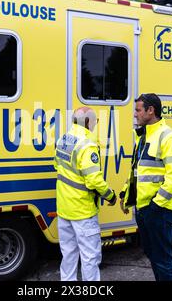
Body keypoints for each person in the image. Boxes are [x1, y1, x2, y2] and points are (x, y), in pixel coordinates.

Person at [119, 94, 172, 281]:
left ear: (151, 111)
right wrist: (126, 194)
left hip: (159, 210)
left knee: (162, 258)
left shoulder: (170, 137)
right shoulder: (142, 136)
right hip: (144, 209)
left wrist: (156, 206)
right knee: (152, 254)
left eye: (138, 110)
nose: (135, 114)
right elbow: (137, 171)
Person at [54, 106, 117, 281]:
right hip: (83, 211)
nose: (95, 125)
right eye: (95, 121)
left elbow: (57, 167)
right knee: (90, 257)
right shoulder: (87, 145)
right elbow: (94, 180)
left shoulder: (63, 140)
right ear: (88, 122)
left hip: (64, 208)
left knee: (68, 255)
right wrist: (110, 196)